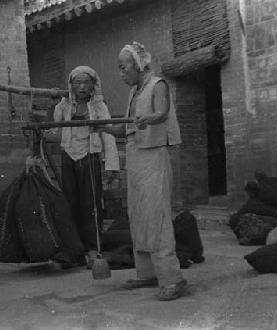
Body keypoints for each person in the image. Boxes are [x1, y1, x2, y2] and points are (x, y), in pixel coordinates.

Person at [96, 42, 186, 301]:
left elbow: (162, 113)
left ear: (138, 65)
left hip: (153, 157)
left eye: (123, 67)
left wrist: (149, 119)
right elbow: (126, 130)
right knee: (137, 216)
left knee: (156, 217)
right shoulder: (135, 92)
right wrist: (101, 127)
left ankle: (172, 278)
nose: (121, 73)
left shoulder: (158, 85)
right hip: (135, 158)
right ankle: (147, 273)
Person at [52, 66, 119, 268]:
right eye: (77, 83)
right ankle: (73, 248)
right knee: (70, 202)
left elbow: (108, 135)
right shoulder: (63, 107)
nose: (82, 87)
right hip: (69, 157)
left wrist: (112, 165)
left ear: (92, 86)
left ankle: (93, 247)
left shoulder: (98, 107)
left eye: (86, 83)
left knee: (91, 204)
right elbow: (57, 131)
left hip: (89, 156)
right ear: (71, 85)